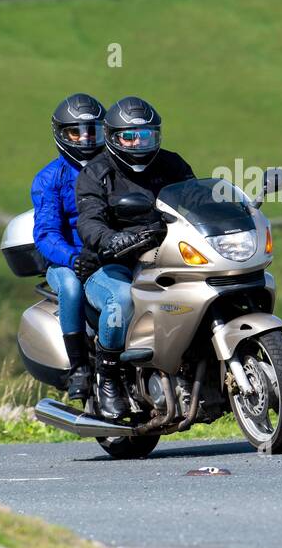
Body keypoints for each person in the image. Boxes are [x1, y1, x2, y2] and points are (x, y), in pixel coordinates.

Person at [76, 96, 195, 419]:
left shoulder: (172, 165)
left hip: (165, 253)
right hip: (112, 263)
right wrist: (111, 238)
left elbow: (197, 199)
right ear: (113, 137)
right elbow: (88, 220)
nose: (140, 144)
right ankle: (109, 379)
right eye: (130, 136)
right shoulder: (96, 173)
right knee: (122, 301)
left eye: (147, 136)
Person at [31, 93, 105, 401]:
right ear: (62, 134)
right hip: (66, 261)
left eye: (93, 131)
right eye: (77, 132)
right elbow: (46, 234)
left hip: (107, 253)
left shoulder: (113, 168)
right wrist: (73, 259)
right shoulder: (50, 178)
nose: (86, 139)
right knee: (72, 288)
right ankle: (79, 368)